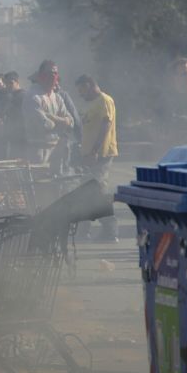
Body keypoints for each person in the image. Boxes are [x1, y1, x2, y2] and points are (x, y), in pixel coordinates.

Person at [76, 75, 119, 242]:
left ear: (89, 85)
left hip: (102, 154)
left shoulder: (104, 100)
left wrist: (94, 150)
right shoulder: (91, 104)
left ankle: (110, 231)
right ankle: (84, 231)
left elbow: (106, 125)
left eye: (82, 91)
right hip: (89, 155)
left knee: (97, 192)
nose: (81, 95)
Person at [23, 60, 74, 167]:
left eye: (55, 73)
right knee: (40, 182)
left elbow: (71, 121)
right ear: (41, 76)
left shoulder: (57, 97)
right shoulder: (33, 97)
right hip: (39, 150)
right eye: (49, 73)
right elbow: (45, 125)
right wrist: (63, 122)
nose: (53, 77)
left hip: (57, 149)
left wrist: (53, 117)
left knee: (58, 181)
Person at [0, 71, 27, 160]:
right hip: (12, 137)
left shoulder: (24, 96)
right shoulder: (9, 96)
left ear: (17, 82)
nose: (8, 86)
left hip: (22, 137)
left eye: (11, 83)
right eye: (6, 83)